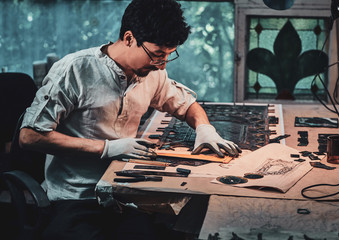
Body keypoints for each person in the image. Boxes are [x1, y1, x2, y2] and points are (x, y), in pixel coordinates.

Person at [19, 0, 241, 239]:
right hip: (76, 197)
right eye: (157, 54)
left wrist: (204, 128)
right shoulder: (74, 71)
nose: (162, 63)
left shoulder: (153, 74)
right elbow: (29, 136)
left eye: (168, 55)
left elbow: (187, 104)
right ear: (128, 38)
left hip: (125, 193)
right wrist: (106, 148)